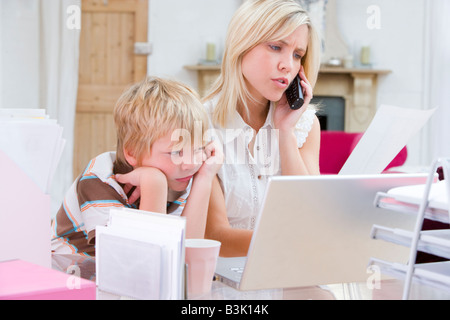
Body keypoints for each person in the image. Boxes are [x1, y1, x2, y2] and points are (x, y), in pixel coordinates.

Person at [51, 77, 223, 256]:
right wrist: (154, 184)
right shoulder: (100, 179)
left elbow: (185, 256)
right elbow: (148, 260)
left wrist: (205, 178)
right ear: (132, 153)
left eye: (199, 149)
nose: (191, 163)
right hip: (67, 275)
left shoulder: (178, 177)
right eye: (176, 152)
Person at [203, 0, 321, 256]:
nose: (288, 65)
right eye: (276, 47)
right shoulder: (200, 124)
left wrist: (285, 131)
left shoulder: (305, 125)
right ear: (241, 45)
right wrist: (293, 244)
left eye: (297, 54)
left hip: (288, 274)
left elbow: (309, 215)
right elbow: (215, 235)